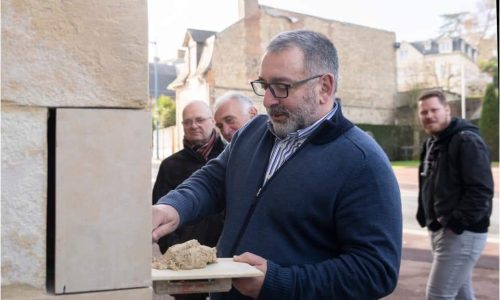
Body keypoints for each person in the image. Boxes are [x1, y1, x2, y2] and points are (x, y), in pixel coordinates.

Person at [152, 30, 402, 299]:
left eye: (281, 87)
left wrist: (277, 282)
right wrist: (172, 208)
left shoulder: (362, 162)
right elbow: (212, 181)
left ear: (324, 87)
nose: (268, 100)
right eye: (264, 85)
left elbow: (376, 271)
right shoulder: (253, 131)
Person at [416, 90, 493, 300]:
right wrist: (425, 215)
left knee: (438, 295)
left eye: (434, 110)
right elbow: (428, 183)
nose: (429, 115)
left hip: (461, 232)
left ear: (447, 110)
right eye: (424, 112)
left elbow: (481, 190)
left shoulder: (466, 140)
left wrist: (456, 223)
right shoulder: (432, 142)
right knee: (461, 294)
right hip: (441, 228)